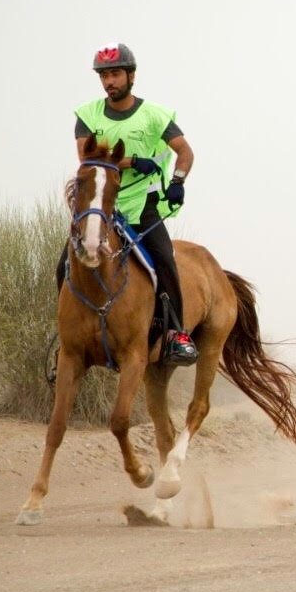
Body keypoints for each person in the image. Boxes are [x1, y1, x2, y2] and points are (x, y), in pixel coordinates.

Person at [56, 42, 198, 365]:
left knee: (165, 260)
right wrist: (135, 161)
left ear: (131, 76)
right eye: (104, 76)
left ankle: (176, 336)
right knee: (63, 266)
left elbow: (185, 152)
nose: (110, 82)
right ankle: (65, 335)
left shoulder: (154, 116)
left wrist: (177, 181)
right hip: (102, 206)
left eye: (116, 74)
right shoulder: (88, 115)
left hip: (142, 204)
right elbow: (88, 157)